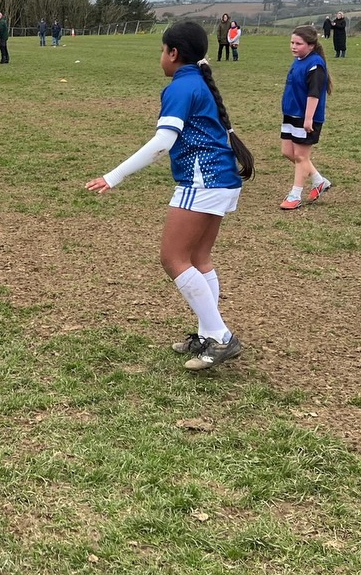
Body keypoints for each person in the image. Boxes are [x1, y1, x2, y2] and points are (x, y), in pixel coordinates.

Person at [85, 21, 253, 371]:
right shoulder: (196, 81)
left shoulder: (181, 86)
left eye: (162, 51)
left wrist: (113, 176)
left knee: (173, 258)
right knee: (199, 257)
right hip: (220, 179)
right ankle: (209, 332)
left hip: (202, 180)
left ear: (173, 53)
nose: (160, 57)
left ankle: (220, 336)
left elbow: (163, 142)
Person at [279, 26, 333, 210]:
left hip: (306, 117)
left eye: (298, 43)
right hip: (291, 114)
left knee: (301, 156)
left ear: (311, 45)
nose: (293, 46)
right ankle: (319, 181)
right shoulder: (298, 61)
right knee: (288, 152)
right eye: (292, 42)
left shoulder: (315, 65)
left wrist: (308, 119)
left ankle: (295, 195)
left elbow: (314, 94)